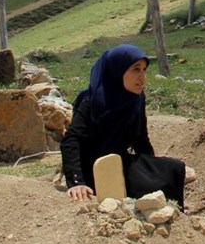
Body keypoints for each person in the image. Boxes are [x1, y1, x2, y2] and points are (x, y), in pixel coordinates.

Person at [61, 44, 186, 206]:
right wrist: (77, 181)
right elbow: (71, 139)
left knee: (173, 169)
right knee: (152, 186)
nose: (142, 76)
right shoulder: (91, 102)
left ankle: (175, 215)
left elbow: (141, 138)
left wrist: (152, 167)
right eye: (136, 69)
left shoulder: (136, 99)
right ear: (118, 71)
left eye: (144, 70)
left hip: (121, 161)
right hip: (95, 169)